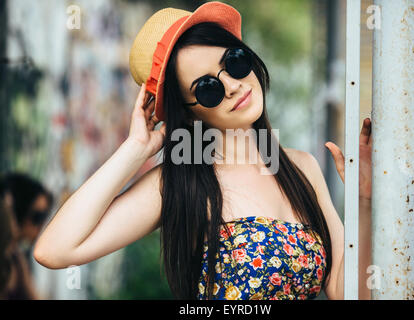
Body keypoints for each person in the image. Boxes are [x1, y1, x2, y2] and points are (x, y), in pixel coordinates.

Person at [34, 1, 373, 300]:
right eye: (208, 88)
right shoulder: (179, 183)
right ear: (190, 110)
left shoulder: (302, 167)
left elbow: (349, 293)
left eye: (234, 62)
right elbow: (54, 250)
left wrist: (365, 203)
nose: (231, 86)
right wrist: (136, 148)